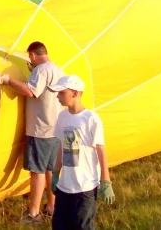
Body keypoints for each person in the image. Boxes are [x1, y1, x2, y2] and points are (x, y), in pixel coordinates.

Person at [0, 41, 64, 224]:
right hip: (55, 128)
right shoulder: (58, 70)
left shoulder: (41, 70)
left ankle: (33, 214)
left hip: (40, 130)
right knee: (50, 169)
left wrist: (7, 80)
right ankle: (52, 207)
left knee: (37, 172)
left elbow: (31, 91)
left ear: (32, 55)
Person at [48, 74, 114, 230]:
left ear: (75, 93)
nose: (58, 96)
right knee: (59, 225)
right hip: (65, 186)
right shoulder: (62, 117)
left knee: (82, 226)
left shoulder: (91, 118)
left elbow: (100, 150)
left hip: (84, 188)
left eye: (62, 93)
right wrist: (56, 174)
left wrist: (106, 181)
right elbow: (60, 146)